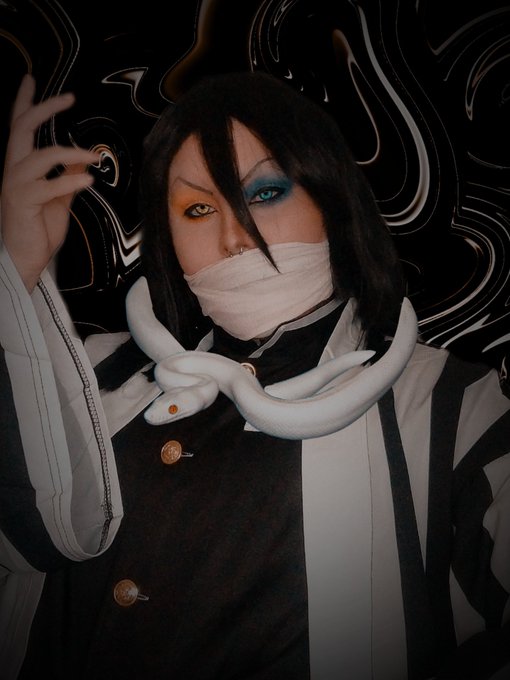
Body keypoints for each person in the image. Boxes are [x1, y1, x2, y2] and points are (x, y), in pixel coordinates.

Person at [0, 70, 509, 680]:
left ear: (331, 199)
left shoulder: (455, 407)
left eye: (265, 192)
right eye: (197, 208)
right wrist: (14, 275)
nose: (234, 237)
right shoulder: (86, 372)